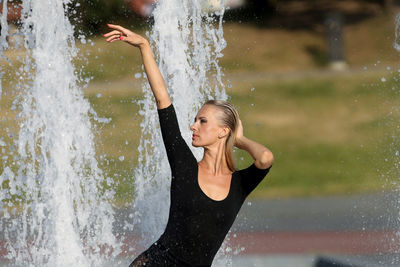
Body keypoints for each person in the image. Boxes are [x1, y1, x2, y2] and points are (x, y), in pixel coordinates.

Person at [104, 24, 274, 267]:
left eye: (202, 121)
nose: (193, 126)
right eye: (195, 120)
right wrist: (144, 46)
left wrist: (238, 139)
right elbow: (163, 99)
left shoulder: (239, 184)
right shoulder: (185, 166)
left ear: (223, 131)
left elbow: (265, 158)